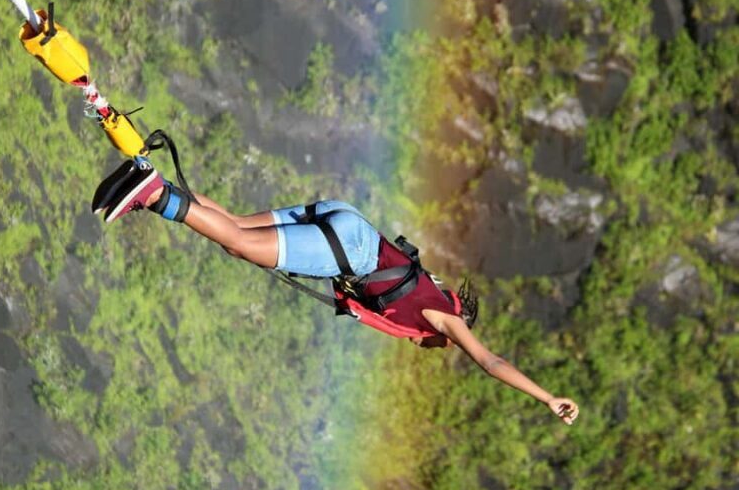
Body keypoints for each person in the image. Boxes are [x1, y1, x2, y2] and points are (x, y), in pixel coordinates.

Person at [93, 161, 580, 425]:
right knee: (238, 240)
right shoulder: (444, 321)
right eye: (435, 345)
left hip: (346, 219)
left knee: (238, 234)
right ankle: (155, 194)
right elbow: (490, 362)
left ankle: (144, 175)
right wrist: (546, 397)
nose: (425, 345)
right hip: (352, 247)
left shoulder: (431, 289)